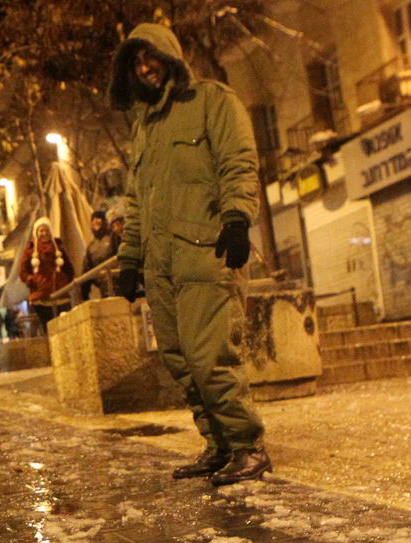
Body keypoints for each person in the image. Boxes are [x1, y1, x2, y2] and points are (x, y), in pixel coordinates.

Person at [109, 23, 271, 487]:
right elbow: (137, 203)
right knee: (180, 360)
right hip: (162, 266)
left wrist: (238, 219)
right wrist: (129, 259)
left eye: (150, 58)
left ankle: (247, 446)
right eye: (136, 63)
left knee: (210, 357)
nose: (145, 69)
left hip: (207, 253)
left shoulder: (212, 101)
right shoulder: (145, 130)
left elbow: (238, 162)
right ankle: (219, 445)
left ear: (170, 56)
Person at [17, 218, 74, 334]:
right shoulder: (30, 250)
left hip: (60, 294)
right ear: (36, 233)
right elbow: (22, 271)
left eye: (46, 230)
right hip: (40, 296)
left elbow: (69, 268)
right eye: (41, 231)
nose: (44, 234)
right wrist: (32, 280)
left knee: (64, 327)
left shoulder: (58, 247)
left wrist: (64, 280)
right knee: (48, 328)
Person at [81, 209, 119, 300]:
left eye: (98, 218)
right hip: (103, 288)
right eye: (93, 219)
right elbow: (87, 268)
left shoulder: (113, 237)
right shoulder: (91, 246)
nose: (95, 221)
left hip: (118, 284)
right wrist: (84, 290)